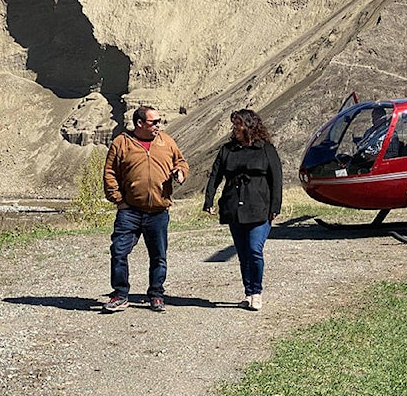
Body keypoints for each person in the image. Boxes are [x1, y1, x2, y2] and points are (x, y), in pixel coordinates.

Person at [103, 105, 188, 314]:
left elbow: (181, 161)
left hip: (158, 211)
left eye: (159, 121)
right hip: (129, 211)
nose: (159, 125)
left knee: (158, 255)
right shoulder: (121, 143)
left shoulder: (166, 141)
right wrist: (119, 201)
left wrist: (180, 172)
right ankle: (120, 295)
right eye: (154, 122)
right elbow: (109, 173)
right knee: (119, 252)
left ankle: (157, 295)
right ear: (140, 123)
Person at [203, 109, 283, 312]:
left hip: (259, 207)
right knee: (243, 254)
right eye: (234, 125)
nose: (235, 129)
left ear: (249, 126)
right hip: (234, 207)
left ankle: (257, 292)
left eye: (238, 124)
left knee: (255, 250)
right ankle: (248, 293)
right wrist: (209, 199)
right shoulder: (227, 150)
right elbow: (215, 175)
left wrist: (275, 206)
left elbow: (277, 179)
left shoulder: (266, 149)